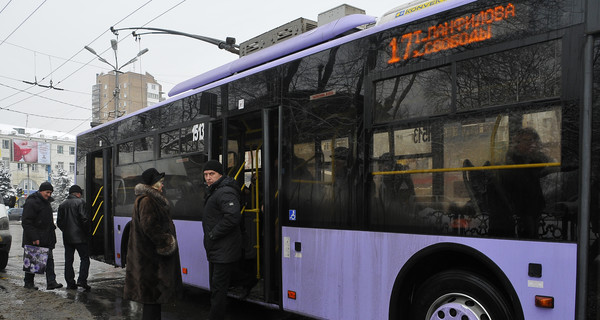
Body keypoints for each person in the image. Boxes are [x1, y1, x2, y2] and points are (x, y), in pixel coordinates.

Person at [123, 168, 182, 320]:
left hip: (149, 259)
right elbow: (149, 227)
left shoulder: (147, 199)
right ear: (153, 184)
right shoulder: (148, 200)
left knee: (153, 300)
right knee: (152, 299)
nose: (162, 185)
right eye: (160, 182)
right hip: (151, 261)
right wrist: (167, 242)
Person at [202, 160, 243, 320]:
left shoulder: (224, 192)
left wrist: (213, 234)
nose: (208, 178)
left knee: (218, 290)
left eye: (212, 174)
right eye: (205, 174)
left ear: (220, 174)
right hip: (218, 249)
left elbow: (233, 217)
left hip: (222, 250)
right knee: (217, 288)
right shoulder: (215, 190)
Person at [500, 127, 553, 238]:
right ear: (517, 143)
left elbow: (545, 167)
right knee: (528, 234)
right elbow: (517, 179)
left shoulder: (536, 158)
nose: (530, 143)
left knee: (534, 233)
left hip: (534, 203)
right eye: (526, 140)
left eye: (532, 140)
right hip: (520, 205)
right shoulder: (513, 159)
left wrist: (535, 155)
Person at [21, 181, 63, 290]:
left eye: (50, 193)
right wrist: (34, 237)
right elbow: (26, 222)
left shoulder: (45, 202)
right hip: (35, 238)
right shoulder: (32, 202)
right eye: (47, 192)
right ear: (41, 191)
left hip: (46, 237)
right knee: (32, 260)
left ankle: (51, 282)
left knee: (49, 260)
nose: (49, 195)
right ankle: (29, 283)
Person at [57, 184, 91, 291]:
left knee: (68, 260)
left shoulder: (62, 205)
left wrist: (66, 231)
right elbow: (84, 219)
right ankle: (82, 280)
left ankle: (70, 283)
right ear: (78, 194)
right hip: (80, 237)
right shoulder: (81, 202)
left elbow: (59, 222)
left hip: (67, 238)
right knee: (85, 258)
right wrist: (86, 232)